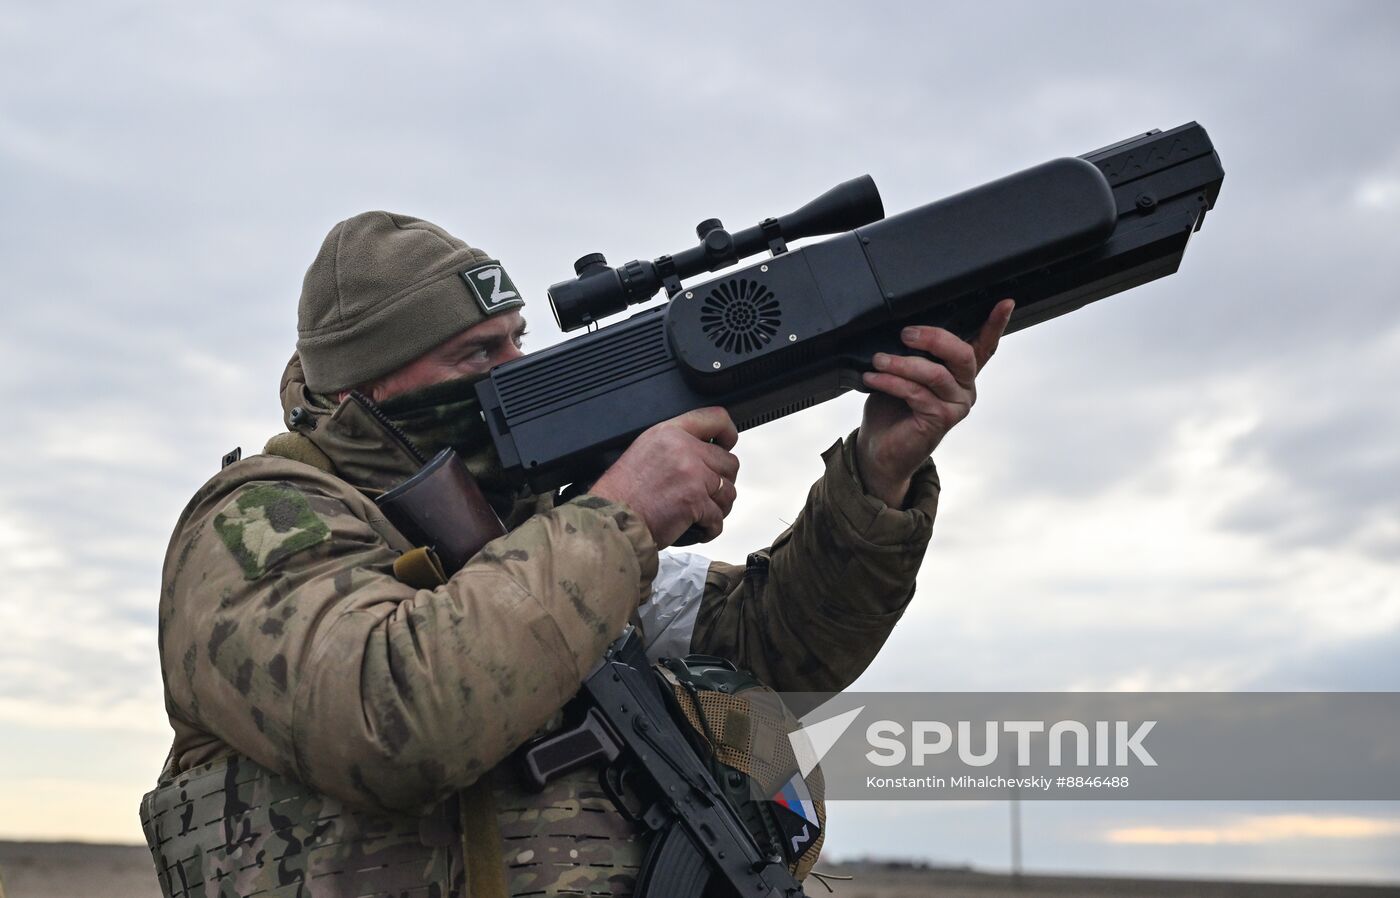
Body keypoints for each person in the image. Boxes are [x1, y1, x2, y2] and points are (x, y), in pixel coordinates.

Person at [140, 211, 1013, 897]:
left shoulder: (526, 537)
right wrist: (622, 513)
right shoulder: (256, 523)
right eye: (478, 353)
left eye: (518, 340)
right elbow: (389, 719)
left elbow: (774, 655)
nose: (517, 370)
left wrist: (878, 474)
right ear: (369, 382)